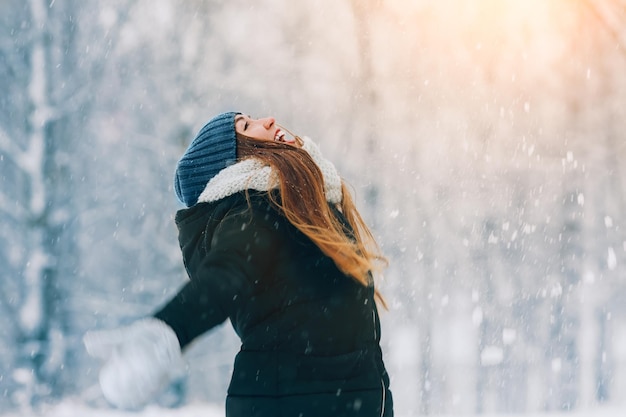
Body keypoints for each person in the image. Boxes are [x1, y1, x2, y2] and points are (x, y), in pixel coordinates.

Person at [84, 111, 394, 417]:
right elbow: (226, 275)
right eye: (246, 127)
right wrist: (167, 332)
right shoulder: (257, 209)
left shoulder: (308, 208)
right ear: (234, 165)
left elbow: (363, 345)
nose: (269, 120)